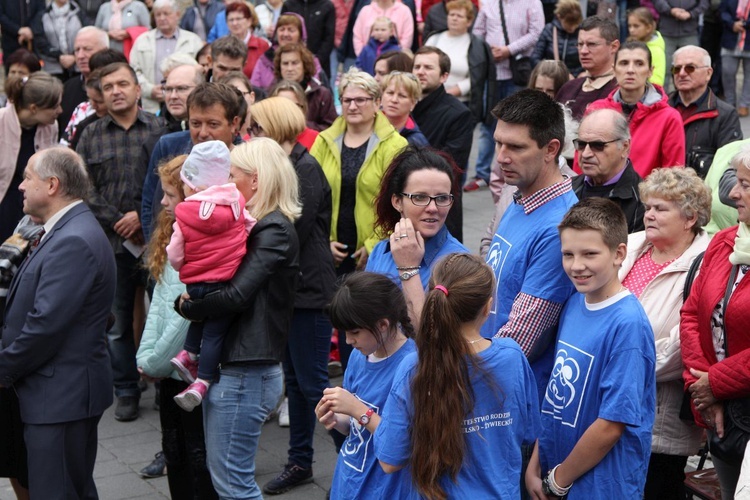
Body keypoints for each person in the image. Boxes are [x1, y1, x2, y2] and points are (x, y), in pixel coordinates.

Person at [176, 138, 301, 499]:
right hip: (239, 366)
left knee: (233, 484)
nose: (225, 182)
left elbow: (234, 295)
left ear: (257, 180)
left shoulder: (273, 228)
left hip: (246, 369)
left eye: (233, 175)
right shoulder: (254, 225)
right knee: (228, 479)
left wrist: (186, 306)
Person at [0, 147, 116, 498]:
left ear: (52, 185)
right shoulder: (62, 229)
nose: (20, 186)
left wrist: (3, 369)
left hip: (61, 395)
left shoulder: (73, 239)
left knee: (58, 491)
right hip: (57, 392)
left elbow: (45, 325)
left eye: (27, 178)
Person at [375, 253, 541, 498]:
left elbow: (390, 460)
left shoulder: (415, 366)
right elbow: (528, 432)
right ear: (488, 306)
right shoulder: (512, 356)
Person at [527, 197, 656, 499]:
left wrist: (558, 480)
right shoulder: (574, 302)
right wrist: (536, 463)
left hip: (598, 485)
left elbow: (612, 424)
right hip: (556, 468)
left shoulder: (628, 324)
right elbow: (555, 395)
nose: (576, 266)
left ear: (618, 253)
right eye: (568, 254)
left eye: (589, 254)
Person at [247, 97, 338, 494]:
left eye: (257, 127)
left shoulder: (304, 169)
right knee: (297, 383)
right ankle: (300, 461)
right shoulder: (286, 166)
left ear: (277, 128)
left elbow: (287, 237)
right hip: (291, 290)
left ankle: (360, 458)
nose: (251, 134)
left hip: (310, 291)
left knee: (316, 385)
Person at [76, 62, 165, 422]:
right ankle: (126, 389)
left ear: (137, 88)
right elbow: (82, 187)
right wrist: (119, 219)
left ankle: (163, 385)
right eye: (108, 86)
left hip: (158, 241)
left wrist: (142, 218)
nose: (116, 91)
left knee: (163, 317)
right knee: (116, 324)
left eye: (122, 84)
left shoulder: (160, 129)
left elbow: (172, 181)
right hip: (111, 245)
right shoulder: (90, 135)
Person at [480, 89, 578, 407]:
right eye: (499, 143)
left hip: (509, 400)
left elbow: (521, 338)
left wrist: (460, 375)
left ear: (551, 149)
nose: (501, 157)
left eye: (516, 147)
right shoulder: (520, 196)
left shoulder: (557, 228)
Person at [618, 168, 711, 500]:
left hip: (658, 420)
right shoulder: (629, 247)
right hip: (608, 405)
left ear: (689, 219)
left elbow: (682, 347)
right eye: (648, 206)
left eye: (661, 208)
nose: (649, 214)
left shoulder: (704, 266)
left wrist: (616, 369)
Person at [136, 156, 218, 499]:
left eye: (171, 195)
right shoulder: (172, 233)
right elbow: (158, 310)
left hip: (186, 368)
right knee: (174, 447)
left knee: (195, 452)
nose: (164, 203)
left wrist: (151, 361)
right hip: (168, 367)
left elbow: (181, 319)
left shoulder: (195, 244)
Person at [681, 146, 750, 499]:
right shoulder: (726, 242)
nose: (733, 193)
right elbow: (692, 313)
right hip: (720, 417)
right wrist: (702, 388)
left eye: (745, 185)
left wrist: (715, 384)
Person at [167, 141, 255, 411]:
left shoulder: (184, 215)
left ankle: (188, 353)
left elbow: (175, 253)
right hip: (224, 281)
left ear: (193, 184)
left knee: (199, 317)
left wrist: (183, 266)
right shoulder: (236, 207)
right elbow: (251, 227)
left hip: (195, 283)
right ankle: (202, 381)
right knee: (215, 333)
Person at [315, 271, 417, 499]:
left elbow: (400, 445)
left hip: (384, 488)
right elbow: (355, 428)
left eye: (354, 332)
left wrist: (357, 409)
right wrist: (336, 419)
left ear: (382, 324)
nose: (348, 341)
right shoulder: (359, 356)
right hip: (349, 483)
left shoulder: (411, 366)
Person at [310, 68, 408, 276]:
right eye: (346, 100)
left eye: (360, 100)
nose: (352, 106)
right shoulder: (323, 141)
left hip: (375, 250)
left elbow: (398, 203)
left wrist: (373, 245)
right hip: (329, 250)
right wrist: (324, 241)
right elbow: (310, 196)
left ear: (376, 103)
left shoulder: (394, 145)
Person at [368, 146, 468, 323]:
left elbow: (437, 340)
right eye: (420, 197)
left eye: (442, 198)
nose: (432, 208)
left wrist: (408, 270)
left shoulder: (460, 264)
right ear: (397, 201)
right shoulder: (380, 252)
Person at [140, 82, 246, 243]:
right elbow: (151, 207)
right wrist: (158, 255)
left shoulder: (247, 160)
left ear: (234, 123)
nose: (203, 133)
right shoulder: (168, 146)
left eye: (213, 124)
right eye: (195, 124)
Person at [468, 0, 544, 192]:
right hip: (491, 75)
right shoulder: (488, 2)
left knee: (515, 128)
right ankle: (482, 174)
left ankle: (513, 171)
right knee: (487, 125)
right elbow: (478, 32)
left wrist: (509, 50)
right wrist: (488, 51)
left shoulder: (532, 3)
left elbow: (536, 33)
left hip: (516, 74)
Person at [588, 41, 685, 178]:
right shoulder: (596, 110)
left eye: (639, 64)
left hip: (646, 197)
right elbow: (582, 164)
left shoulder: (669, 117)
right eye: (624, 63)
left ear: (650, 71)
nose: (630, 70)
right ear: (614, 69)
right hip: (597, 196)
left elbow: (673, 177)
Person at [411, 46, 474, 241]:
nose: (421, 71)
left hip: (438, 209)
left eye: (428, 67)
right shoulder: (404, 105)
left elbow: (452, 165)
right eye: (417, 66)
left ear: (444, 76)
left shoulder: (458, 113)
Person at [0, 73, 63, 243]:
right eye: (55, 106)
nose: (60, 111)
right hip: (5, 205)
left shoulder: (51, 126)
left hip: (33, 207)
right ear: (34, 108)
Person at [669, 45, 742, 179]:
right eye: (676, 69)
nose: (682, 73)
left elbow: (729, 167)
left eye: (690, 68)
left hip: (702, 194)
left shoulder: (725, 114)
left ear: (708, 73)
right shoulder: (661, 108)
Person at [572, 108, 645, 233]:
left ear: (624, 147)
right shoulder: (566, 189)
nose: (586, 154)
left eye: (598, 146)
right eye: (581, 144)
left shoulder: (643, 202)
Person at [424, 0, 495, 126]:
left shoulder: (475, 45)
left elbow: (477, 77)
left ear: (469, 22)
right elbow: (420, 66)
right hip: (430, 101)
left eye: (459, 16)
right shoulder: (434, 39)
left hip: (460, 104)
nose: (454, 19)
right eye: (451, 15)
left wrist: (451, 92)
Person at [129, 0, 204, 113]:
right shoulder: (142, 41)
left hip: (186, 106)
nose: (162, 18)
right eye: (158, 14)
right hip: (151, 105)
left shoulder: (193, 40)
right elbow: (134, 71)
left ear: (177, 14)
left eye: (166, 13)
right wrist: (150, 90)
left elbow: (200, 70)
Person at [555, 16, 620, 121]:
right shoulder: (568, 88)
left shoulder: (621, 92)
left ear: (614, 46)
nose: (583, 51)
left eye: (592, 44)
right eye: (580, 44)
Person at [273, 44, 338, 131]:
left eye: (294, 63)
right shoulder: (272, 93)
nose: (289, 68)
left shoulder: (321, 94)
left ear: (304, 65)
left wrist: (301, 124)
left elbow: (333, 129)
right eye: (285, 63)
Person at [58, 27, 109, 136]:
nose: (81, 56)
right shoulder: (67, 87)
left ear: (105, 50)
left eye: (87, 49)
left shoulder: (117, 89)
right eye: (77, 50)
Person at [653, 0, 708, 93]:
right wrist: (670, 10)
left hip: (690, 32)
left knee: (692, 69)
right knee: (664, 70)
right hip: (667, 32)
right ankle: (662, 101)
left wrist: (691, 14)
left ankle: (690, 101)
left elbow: (704, 3)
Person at [281, 0, 336, 79]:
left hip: (320, 66)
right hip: (291, 65)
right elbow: (282, 30)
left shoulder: (327, 6)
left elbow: (329, 39)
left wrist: (316, 62)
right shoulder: (289, 4)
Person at [531, 0, 584, 77]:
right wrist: (550, 72)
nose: (572, 28)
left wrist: (579, 74)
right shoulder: (549, 30)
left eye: (575, 24)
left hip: (576, 79)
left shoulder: (583, 32)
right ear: (559, 17)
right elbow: (535, 58)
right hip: (552, 77)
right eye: (569, 23)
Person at [41, 0, 89, 81]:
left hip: (77, 67)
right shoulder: (43, 14)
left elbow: (87, 35)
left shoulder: (79, 12)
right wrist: (59, 56)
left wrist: (75, 56)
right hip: (52, 67)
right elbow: (40, 40)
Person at [379, 71, 429, 146]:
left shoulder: (418, 142)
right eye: (390, 93)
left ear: (413, 103)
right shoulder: (364, 125)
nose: (394, 100)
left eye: (402, 96)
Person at [268, 79, 320, 150]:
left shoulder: (316, 139)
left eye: (293, 106)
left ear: (303, 108)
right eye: (281, 106)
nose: (288, 111)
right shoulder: (260, 138)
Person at [719, 0, 750, 116]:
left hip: (748, 40)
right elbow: (722, 11)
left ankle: (744, 105)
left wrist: (745, 24)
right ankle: (729, 104)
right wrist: (732, 24)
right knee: (727, 73)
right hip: (730, 38)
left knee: (749, 77)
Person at [225, 2, 269, 79]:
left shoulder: (262, 45)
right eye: (231, 20)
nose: (234, 23)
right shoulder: (222, 46)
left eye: (238, 19)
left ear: (249, 21)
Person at [627, 7, 666, 86]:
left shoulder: (657, 51)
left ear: (648, 28)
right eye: (629, 26)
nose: (631, 30)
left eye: (636, 26)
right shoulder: (628, 45)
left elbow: (657, 81)